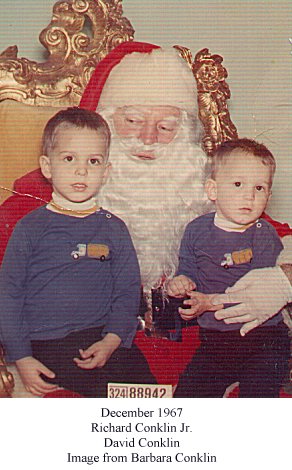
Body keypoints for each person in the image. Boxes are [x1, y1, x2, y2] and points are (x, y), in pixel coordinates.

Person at [79, 41, 292, 330]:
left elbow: (279, 237)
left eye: (166, 127)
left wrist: (283, 281)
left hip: (205, 344)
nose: (148, 138)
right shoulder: (49, 197)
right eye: (132, 120)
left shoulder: (205, 195)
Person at [0, 107, 154, 397]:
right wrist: (21, 356)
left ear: (106, 171)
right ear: (47, 166)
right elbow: (9, 294)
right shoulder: (30, 227)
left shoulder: (115, 228)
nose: (81, 170)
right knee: (104, 394)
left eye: (93, 161)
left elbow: (127, 291)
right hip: (45, 342)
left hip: (102, 334)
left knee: (146, 393)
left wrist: (112, 339)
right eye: (69, 158)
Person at [167, 138, 290, 397]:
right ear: (213, 190)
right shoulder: (196, 230)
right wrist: (182, 285)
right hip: (215, 339)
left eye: (259, 187)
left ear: (268, 195)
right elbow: (188, 269)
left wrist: (208, 303)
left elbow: (256, 290)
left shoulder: (264, 234)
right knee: (185, 398)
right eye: (238, 184)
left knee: (258, 396)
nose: (249, 195)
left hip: (263, 336)